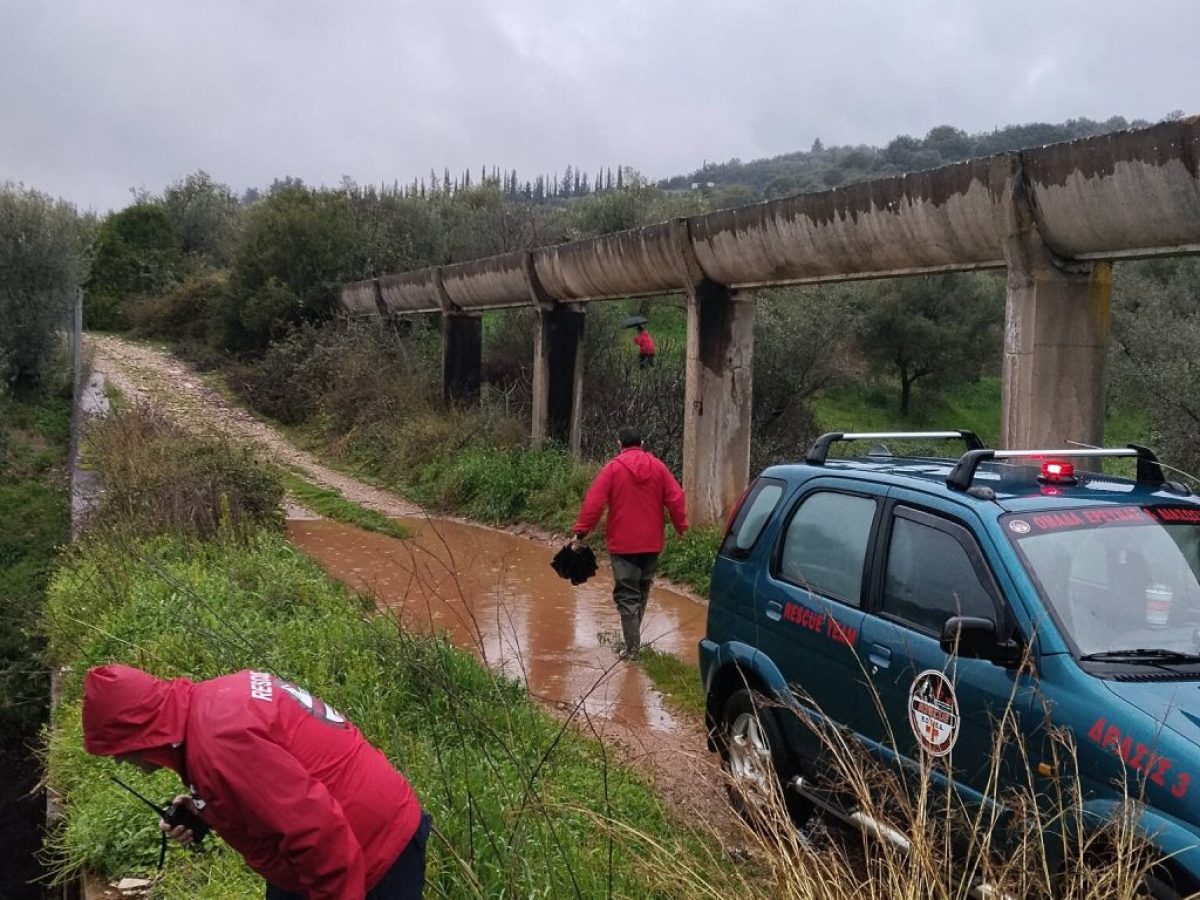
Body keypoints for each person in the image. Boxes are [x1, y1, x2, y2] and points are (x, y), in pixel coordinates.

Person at [82, 664, 431, 900]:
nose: (118, 759)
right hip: (352, 826)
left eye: (117, 749)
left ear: (140, 736)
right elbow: (274, 787)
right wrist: (208, 809)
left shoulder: (221, 746)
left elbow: (321, 836)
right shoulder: (212, 699)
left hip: (371, 849)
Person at [571, 427, 688, 659]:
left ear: (619, 443)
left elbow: (594, 503)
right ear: (642, 442)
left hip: (623, 545)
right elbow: (676, 497)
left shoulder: (613, 469)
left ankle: (633, 650)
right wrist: (681, 527)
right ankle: (634, 642)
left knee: (627, 594)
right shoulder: (659, 467)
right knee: (642, 589)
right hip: (651, 543)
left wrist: (581, 533)